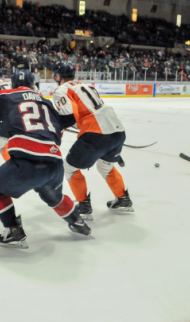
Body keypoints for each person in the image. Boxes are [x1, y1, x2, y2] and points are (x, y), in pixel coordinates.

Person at [0, 76, 91, 248]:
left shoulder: (6, 95)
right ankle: (78, 221)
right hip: (55, 163)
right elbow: (61, 127)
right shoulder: (46, 103)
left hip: (28, 162)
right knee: (51, 194)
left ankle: (13, 230)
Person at [51, 61, 132, 220]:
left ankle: (84, 207)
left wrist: (54, 129)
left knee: (70, 167)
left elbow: (68, 117)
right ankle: (123, 199)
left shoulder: (61, 89)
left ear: (59, 76)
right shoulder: (85, 85)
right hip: (117, 130)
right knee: (105, 165)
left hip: (96, 132)